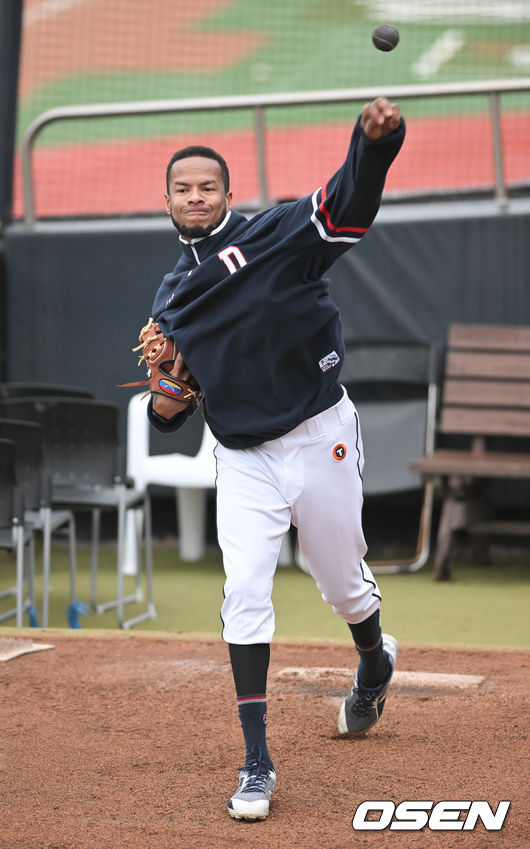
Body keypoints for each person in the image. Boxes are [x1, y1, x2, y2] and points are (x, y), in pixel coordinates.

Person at [147, 96, 405, 821]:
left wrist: (374, 142)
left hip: (319, 431)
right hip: (244, 456)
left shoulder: (276, 234)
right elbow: (166, 413)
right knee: (245, 592)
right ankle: (257, 762)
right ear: (167, 200)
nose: (195, 196)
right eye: (182, 188)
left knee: (343, 586)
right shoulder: (172, 300)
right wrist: (166, 398)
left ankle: (375, 659)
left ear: (228, 194)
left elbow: (347, 204)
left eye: (207, 186)